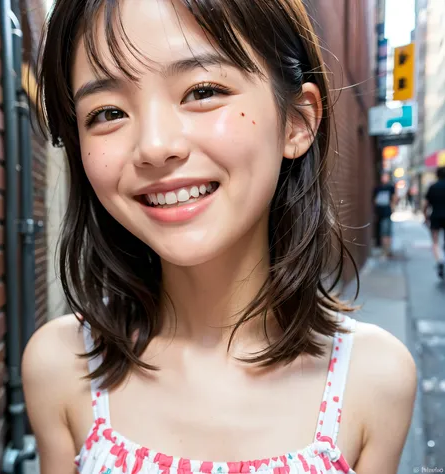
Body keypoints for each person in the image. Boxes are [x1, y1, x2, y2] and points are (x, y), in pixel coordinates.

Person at [22, 1, 417, 473]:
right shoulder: (62, 366)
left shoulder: (374, 379)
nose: (154, 146)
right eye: (107, 112)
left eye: (203, 90)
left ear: (298, 119)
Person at [423, 167, 445, 279]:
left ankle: (440, 261)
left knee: (435, 242)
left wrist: (425, 217)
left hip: (435, 216)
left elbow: (426, 204)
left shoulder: (433, 187)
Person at [372, 173, 397, 258]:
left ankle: (388, 250)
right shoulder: (377, 188)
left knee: (387, 232)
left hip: (387, 213)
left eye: (386, 176)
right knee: (383, 232)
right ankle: (385, 250)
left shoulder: (390, 187)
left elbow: (394, 198)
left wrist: (392, 208)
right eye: (383, 176)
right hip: (379, 213)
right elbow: (374, 200)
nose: (384, 178)